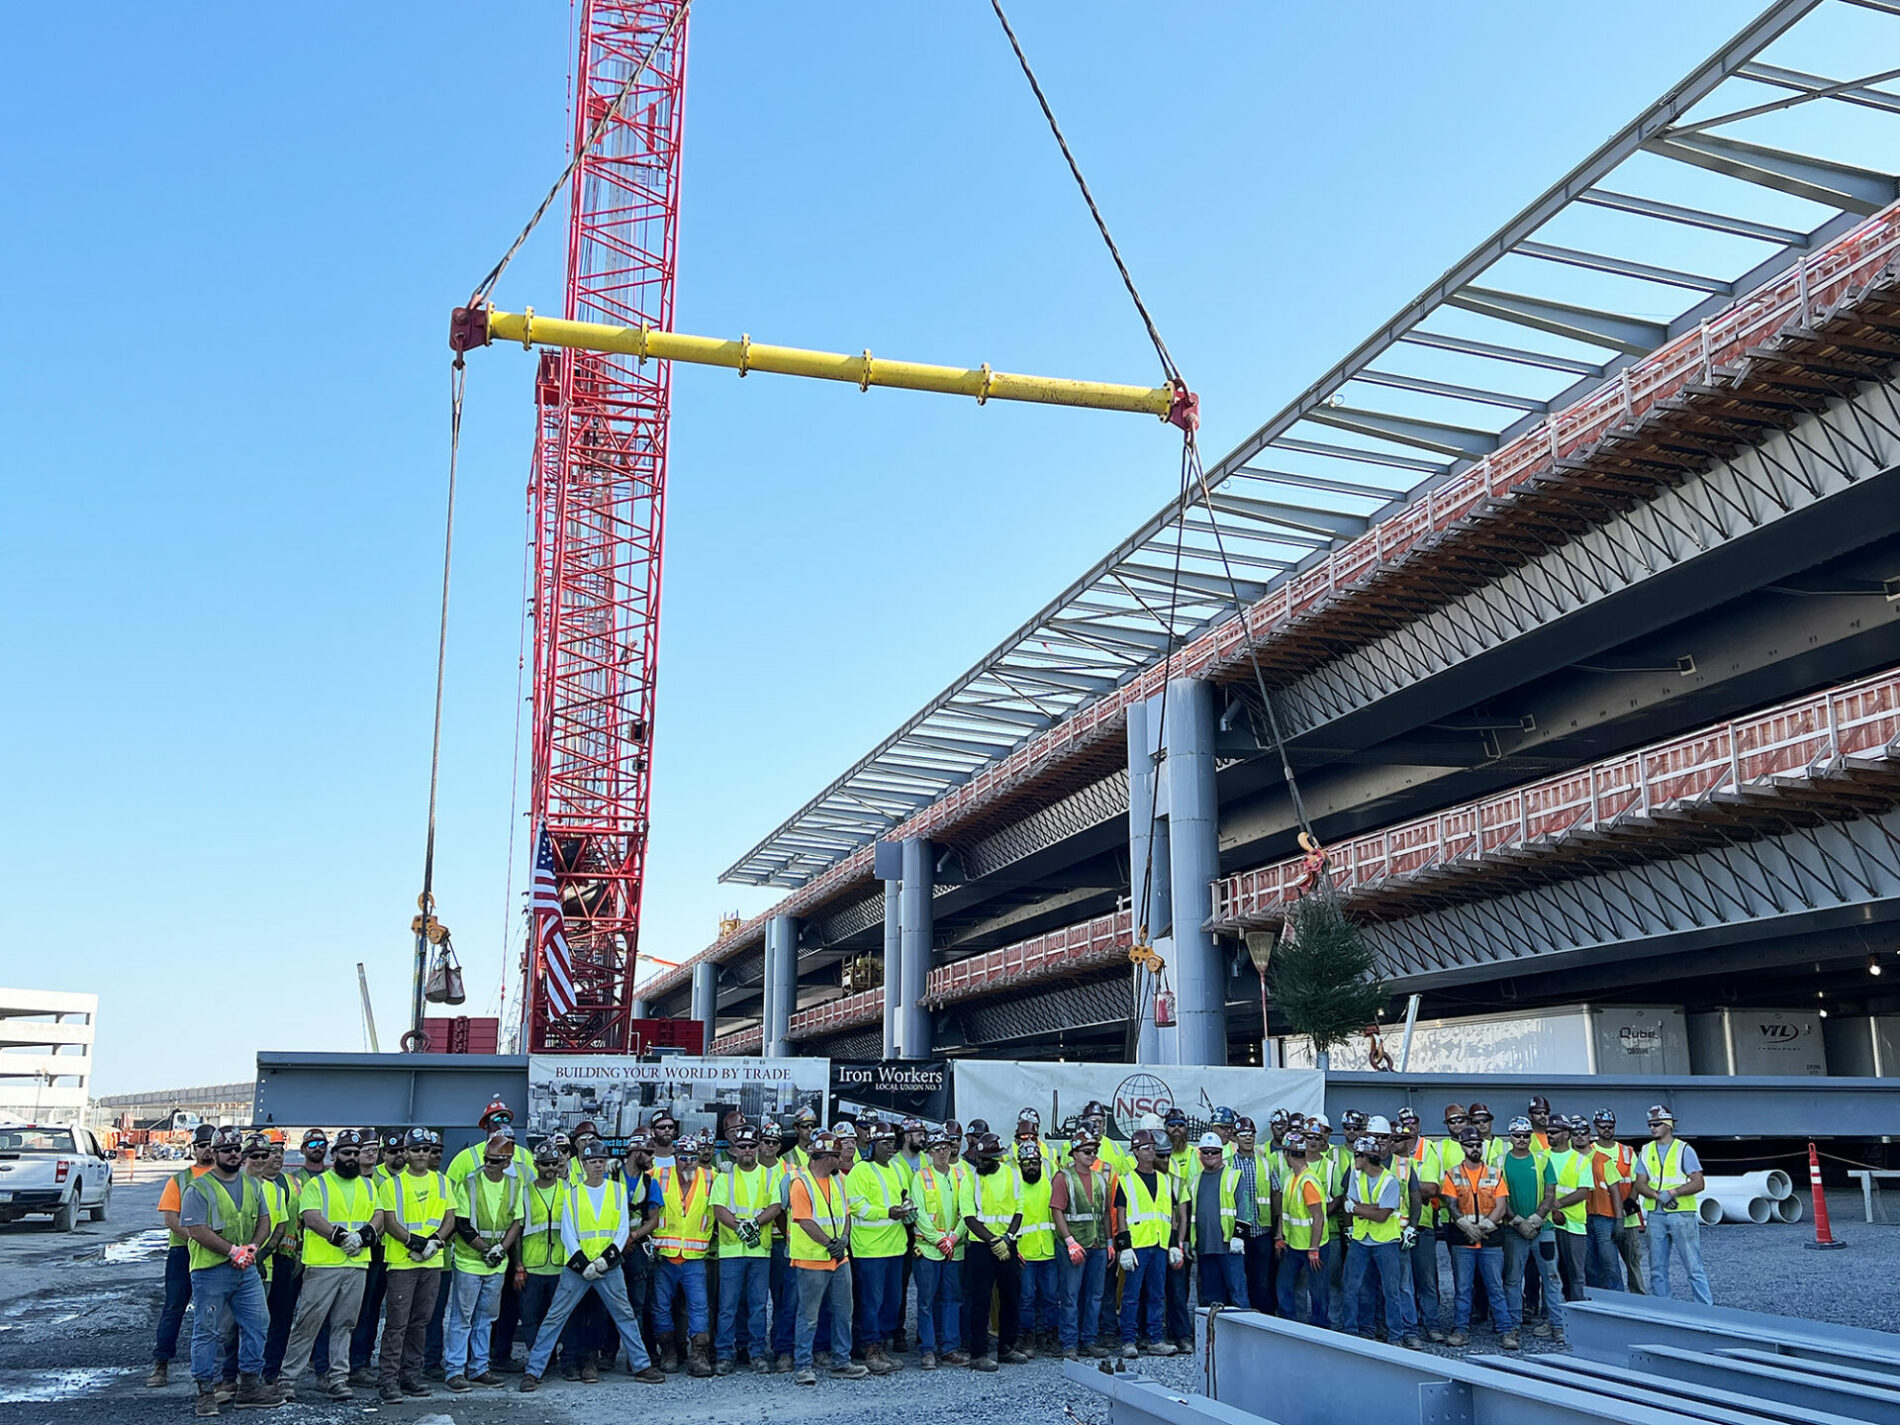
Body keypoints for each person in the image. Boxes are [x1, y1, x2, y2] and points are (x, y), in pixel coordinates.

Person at [519, 1139, 665, 1390]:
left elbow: (621, 1231)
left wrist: (604, 1261)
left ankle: (641, 1365)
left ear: (606, 1163)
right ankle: (533, 1371)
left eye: (600, 1161)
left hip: (607, 1266)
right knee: (554, 1318)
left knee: (625, 1315)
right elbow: (568, 1232)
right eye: (592, 1161)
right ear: (583, 1164)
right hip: (578, 1267)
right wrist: (583, 1263)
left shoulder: (617, 1191)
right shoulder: (572, 1194)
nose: (597, 1165)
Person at [178, 1127, 275, 1415]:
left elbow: (265, 1221)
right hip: (210, 1271)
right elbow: (196, 1229)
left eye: (237, 1150)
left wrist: (253, 1248)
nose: (233, 1154)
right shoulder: (199, 1188)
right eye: (227, 1150)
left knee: (258, 1323)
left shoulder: (252, 1185)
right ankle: (205, 1392)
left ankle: (249, 1387)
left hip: (245, 1269)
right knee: (207, 1331)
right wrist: (234, 1251)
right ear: (216, 1154)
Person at [277, 1129, 378, 1403]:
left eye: (356, 1154)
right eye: (346, 1153)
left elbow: (378, 1214)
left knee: (345, 1325)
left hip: (357, 1264)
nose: (352, 1158)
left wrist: (364, 1235)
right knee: (308, 1324)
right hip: (323, 1266)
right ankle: (287, 1380)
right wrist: (339, 1236)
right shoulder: (317, 1185)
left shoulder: (368, 1185)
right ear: (335, 1156)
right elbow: (310, 1217)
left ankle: (337, 1379)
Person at [372, 1128, 457, 1404]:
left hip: (432, 1261)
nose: (421, 1154)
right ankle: (388, 1380)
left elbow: (450, 1218)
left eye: (425, 1149)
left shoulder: (443, 1182)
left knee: (420, 1322)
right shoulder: (391, 1185)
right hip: (402, 1262)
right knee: (397, 1324)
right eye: (416, 1149)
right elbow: (389, 1221)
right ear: (405, 1153)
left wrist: (436, 1242)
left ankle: (410, 1375)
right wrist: (415, 1243)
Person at [786, 1131, 868, 1385]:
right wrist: (832, 1244)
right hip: (811, 1261)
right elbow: (805, 1221)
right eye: (837, 1155)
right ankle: (803, 1365)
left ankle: (841, 1361)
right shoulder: (801, 1184)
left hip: (838, 1258)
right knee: (808, 1315)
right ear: (825, 1157)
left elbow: (846, 1215)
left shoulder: (838, 1181)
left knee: (844, 1311)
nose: (842, 1159)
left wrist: (842, 1240)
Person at [444, 1131, 524, 1391]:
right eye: (487, 1159)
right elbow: (462, 1224)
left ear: (506, 1163)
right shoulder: (469, 1183)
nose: (488, 1164)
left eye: (494, 1161)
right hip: (470, 1261)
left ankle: (479, 1368)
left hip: (496, 1263)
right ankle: (455, 1370)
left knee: (485, 1319)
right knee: (462, 1317)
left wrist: (500, 1249)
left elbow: (516, 1223)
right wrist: (487, 1249)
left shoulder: (513, 1186)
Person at [149, 1126, 217, 1389]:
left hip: (217, 1253)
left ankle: (213, 1369)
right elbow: (170, 1218)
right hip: (184, 1252)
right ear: (194, 1149)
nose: (207, 1149)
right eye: (202, 1145)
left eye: (211, 1144)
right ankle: (160, 1363)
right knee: (174, 1307)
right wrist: (200, 1238)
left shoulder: (230, 1179)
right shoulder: (179, 1180)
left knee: (213, 1311)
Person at [842, 1121, 911, 1372]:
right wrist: (888, 1212)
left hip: (895, 1246)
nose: (890, 1147)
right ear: (872, 1145)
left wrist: (907, 1205)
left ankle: (882, 1346)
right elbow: (856, 1206)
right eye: (884, 1143)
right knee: (871, 1302)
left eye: (892, 1142)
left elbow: (905, 1194)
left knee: (892, 1302)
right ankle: (870, 1349)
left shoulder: (898, 1169)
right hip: (870, 1249)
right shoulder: (861, 1171)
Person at [710, 1124, 779, 1375]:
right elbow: (719, 1209)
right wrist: (740, 1227)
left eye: (752, 1145)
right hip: (730, 1251)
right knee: (728, 1306)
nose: (747, 1150)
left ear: (759, 1147)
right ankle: (725, 1354)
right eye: (742, 1146)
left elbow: (776, 1206)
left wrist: (753, 1224)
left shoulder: (771, 1175)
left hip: (760, 1251)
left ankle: (757, 1353)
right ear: (734, 1150)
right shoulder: (724, 1176)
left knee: (758, 1306)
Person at [1434, 1125, 1511, 1347]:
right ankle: (1460, 1330)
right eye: (1470, 1145)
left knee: (1495, 1286)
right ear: (1462, 1147)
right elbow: (1451, 1204)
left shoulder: (1495, 1174)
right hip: (1463, 1238)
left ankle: (1505, 1331)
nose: (1475, 1148)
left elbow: (1501, 1205)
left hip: (1490, 1239)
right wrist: (1467, 1226)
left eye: (1478, 1144)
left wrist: (1484, 1225)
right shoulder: (1452, 1173)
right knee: (1463, 1287)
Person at [515, 1143, 584, 1383]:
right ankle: (542, 1360)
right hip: (533, 1266)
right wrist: (519, 1265)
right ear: (536, 1166)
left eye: (555, 1163)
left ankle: (569, 1363)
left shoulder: (569, 1189)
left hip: (561, 1265)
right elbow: (518, 1231)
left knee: (566, 1317)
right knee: (532, 1318)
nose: (551, 1168)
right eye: (545, 1164)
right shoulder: (525, 1192)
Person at [1342, 1135, 1418, 1349]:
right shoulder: (1357, 1177)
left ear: (1367, 1157)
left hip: (1385, 1241)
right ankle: (1354, 1331)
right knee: (1353, 1286)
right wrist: (1370, 1208)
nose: (1354, 1158)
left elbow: (1381, 1215)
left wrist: (1358, 1209)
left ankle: (1396, 1335)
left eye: (1357, 1154)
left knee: (1391, 1290)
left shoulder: (1389, 1180)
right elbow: (1353, 1202)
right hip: (1361, 1238)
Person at [1631, 1105, 1711, 1304]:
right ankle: (1662, 1310)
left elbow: (1699, 1182)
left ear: (1668, 1124)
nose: (1652, 1128)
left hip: (1682, 1214)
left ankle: (1705, 1310)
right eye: (1650, 1124)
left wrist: (1673, 1192)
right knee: (1657, 1268)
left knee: (1693, 1266)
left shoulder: (1684, 1149)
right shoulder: (1646, 1150)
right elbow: (1639, 1183)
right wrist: (1659, 1196)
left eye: (1656, 1124)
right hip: (1656, 1215)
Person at [345, 1131, 407, 1385]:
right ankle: (355, 1363)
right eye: (392, 1151)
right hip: (369, 1249)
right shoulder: (375, 1177)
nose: (398, 1155)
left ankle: (370, 1361)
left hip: (395, 1252)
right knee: (363, 1309)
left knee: (390, 1311)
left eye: (402, 1150)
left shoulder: (407, 1178)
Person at [651, 1132, 715, 1375]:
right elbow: (634, 1180)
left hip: (695, 1259)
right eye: (683, 1158)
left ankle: (698, 1356)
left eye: (692, 1157)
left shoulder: (713, 1179)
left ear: (699, 1158)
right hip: (664, 1256)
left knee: (699, 1307)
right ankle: (668, 1351)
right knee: (660, 1307)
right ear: (675, 1158)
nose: (688, 1162)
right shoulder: (659, 1175)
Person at [959, 1132, 1024, 1371]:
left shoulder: (1012, 1175)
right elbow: (968, 1216)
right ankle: (979, 1353)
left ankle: (1006, 1347)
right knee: (980, 1300)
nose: (982, 1163)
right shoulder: (970, 1179)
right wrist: (993, 1240)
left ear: (997, 1157)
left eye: (987, 1159)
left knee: (1011, 1297)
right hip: (981, 1246)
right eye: (980, 1158)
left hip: (1008, 1243)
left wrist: (1007, 1238)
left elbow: (1019, 1209)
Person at [1051, 1130, 1118, 1360]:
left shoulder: (1100, 1179)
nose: (1092, 1155)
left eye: (1094, 1151)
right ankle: (1069, 1343)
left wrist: (1109, 1242)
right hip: (1074, 1245)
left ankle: (1089, 1339)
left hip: (1097, 1244)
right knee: (1070, 1295)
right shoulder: (1063, 1178)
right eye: (1087, 1151)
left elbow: (1105, 1214)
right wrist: (1069, 1241)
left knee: (1095, 1295)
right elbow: (1057, 1211)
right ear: (1075, 1153)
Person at [1116, 1128, 1181, 1356]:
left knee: (1156, 1294)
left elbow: (1171, 1215)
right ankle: (1128, 1341)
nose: (1151, 1151)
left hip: (1159, 1244)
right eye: (1146, 1147)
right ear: (1135, 1151)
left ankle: (1155, 1339)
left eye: (1153, 1147)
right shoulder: (1126, 1181)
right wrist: (1124, 1247)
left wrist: (1173, 1243)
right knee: (1132, 1295)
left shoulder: (1164, 1181)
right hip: (1138, 1245)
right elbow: (1121, 1214)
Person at [1497, 1116, 1560, 1349]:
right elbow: (1499, 1196)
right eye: (1517, 1135)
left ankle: (1557, 1324)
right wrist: (1517, 1221)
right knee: (1513, 1279)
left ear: (1530, 1137)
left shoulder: (1543, 1160)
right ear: (1510, 1137)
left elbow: (1550, 1193)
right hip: (1514, 1231)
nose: (1521, 1139)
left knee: (1552, 1278)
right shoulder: (1500, 1162)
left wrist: (1535, 1220)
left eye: (1525, 1135)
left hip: (1544, 1229)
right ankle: (1513, 1325)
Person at [911, 1129, 967, 1370]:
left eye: (945, 1147)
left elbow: (968, 1211)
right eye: (937, 1148)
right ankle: (928, 1350)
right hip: (928, 1250)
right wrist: (939, 1240)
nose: (942, 1152)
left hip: (954, 1249)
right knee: (926, 1301)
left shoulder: (962, 1176)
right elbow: (918, 1212)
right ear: (930, 1152)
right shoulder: (920, 1177)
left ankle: (950, 1348)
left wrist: (953, 1238)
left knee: (952, 1299)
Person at [1391, 1110, 1443, 1341]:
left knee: (1426, 1280)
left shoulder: (1427, 1149)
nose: (1408, 1127)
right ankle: (1404, 1327)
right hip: (1394, 1227)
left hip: (1422, 1225)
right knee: (1401, 1283)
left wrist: (1409, 1188)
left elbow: (1432, 1189)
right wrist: (1414, 1190)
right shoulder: (1392, 1154)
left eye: (1413, 1122)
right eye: (1404, 1123)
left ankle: (1432, 1325)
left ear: (1419, 1125)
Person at [1583, 1109, 1642, 1293]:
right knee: (1604, 1264)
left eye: (1610, 1126)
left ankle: (1638, 1300)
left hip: (1628, 1217)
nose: (1607, 1130)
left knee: (1633, 1263)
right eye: (1602, 1127)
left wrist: (1628, 1205)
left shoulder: (1627, 1151)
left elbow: (1638, 1181)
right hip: (1601, 1216)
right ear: (1595, 1128)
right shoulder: (1589, 1151)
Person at [1188, 1132, 1247, 1309]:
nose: (1210, 1156)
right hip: (1205, 1247)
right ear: (1200, 1155)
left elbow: (1245, 1208)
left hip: (1229, 1246)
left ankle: (1242, 1335)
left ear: (1221, 1153)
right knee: (1211, 1298)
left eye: (1214, 1152)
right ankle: (1212, 1335)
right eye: (1206, 1152)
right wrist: (1190, 1242)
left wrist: (1239, 1235)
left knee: (1238, 1294)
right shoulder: (1195, 1181)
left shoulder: (1234, 1176)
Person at [1013, 1139, 1059, 1354]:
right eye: (1027, 1163)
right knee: (1026, 1299)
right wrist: (1015, 1248)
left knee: (1051, 1297)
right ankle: (1028, 1337)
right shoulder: (1015, 1185)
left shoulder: (1049, 1181)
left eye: (1035, 1162)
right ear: (1020, 1164)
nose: (1031, 1167)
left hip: (1048, 1249)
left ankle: (1050, 1336)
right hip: (1025, 1251)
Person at [1230, 1117, 1275, 1314]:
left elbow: (1276, 1194)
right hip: (1236, 1233)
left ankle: (1262, 1323)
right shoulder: (1228, 1164)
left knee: (1262, 1282)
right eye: (1243, 1135)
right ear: (1235, 1138)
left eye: (1251, 1134)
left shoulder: (1265, 1164)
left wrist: (1277, 1227)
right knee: (1238, 1280)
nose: (1248, 1138)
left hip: (1261, 1231)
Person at [1547, 1116, 1591, 1310]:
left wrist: (1556, 1205)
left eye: (1554, 1132)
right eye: (1548, 1131)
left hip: (1573, 1225)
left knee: (1576, 1274)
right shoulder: (1541, 1157)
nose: (1549, 1134)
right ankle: (1554, 1316)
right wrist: (1553, 1209)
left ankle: (1578, 1311)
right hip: (1547, 1224)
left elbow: (1583, 1191)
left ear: (1566, 1134)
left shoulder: (1581, 1160)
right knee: (1551, 1273)